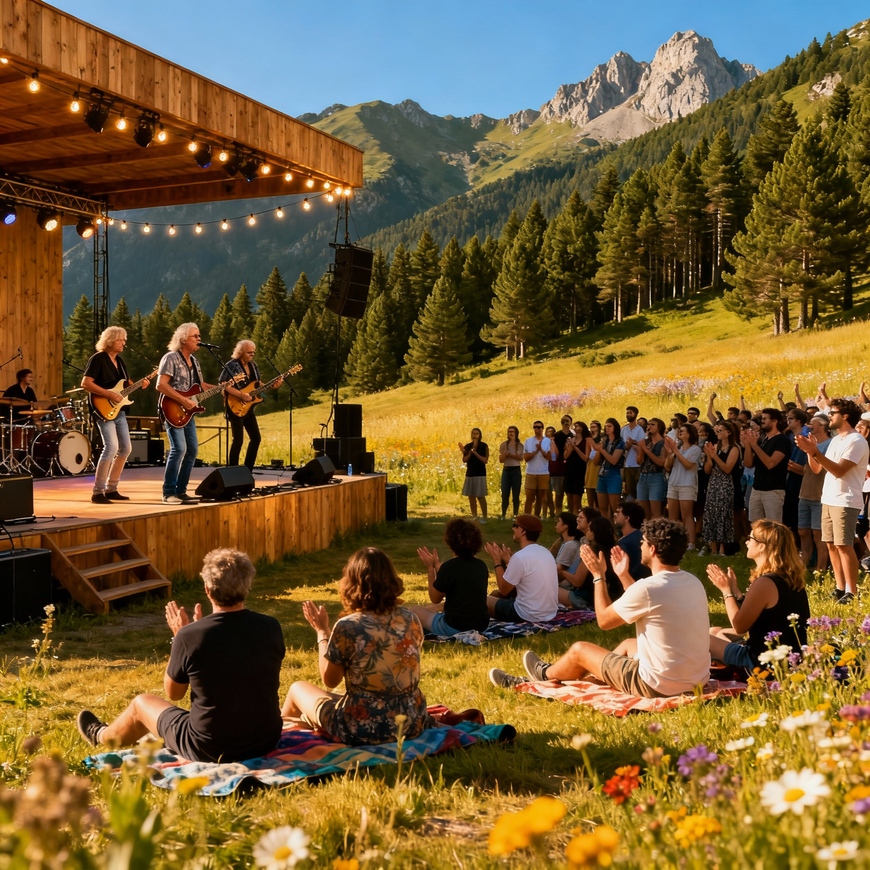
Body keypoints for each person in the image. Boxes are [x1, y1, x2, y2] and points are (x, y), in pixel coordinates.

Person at [76, 549, 285, 762]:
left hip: (210, 747)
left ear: (207, 589)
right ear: (247, 586)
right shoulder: (271, 627)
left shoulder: (189, 636)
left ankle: (101, 735)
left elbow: (174, 693)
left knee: (142, 703)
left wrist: (180, 639)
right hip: (265, 739)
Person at [490, 518, 711, 698]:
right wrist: (623, 575)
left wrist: (598, 576)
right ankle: (584, 677)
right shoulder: (692, 581)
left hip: (659, 686)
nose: (640, 546)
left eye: (642, 542)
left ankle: (543, 676)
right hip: (695, 681)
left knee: (580, 650)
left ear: (652, 549)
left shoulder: (650, 588)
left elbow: (604, 621)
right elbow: (644, 604)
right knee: (627, 644)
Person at [282, 547, 434, 744]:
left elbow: (330, 679)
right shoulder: (411, 619)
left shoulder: (349, 626)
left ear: (351, 583)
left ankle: (282, 743)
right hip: (412, 721)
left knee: (297, 688)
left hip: (362, 727)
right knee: (332, 699)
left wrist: (322, 632)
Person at [707, 520, 810, 673]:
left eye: (751, 538)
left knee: (701, 637)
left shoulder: (765, 583)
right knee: (716, 631)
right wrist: (736, 592)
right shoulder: (789, 578)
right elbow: (761, 617)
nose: (747, 542)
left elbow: (740, 626)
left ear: (762, 546)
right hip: (789, 658)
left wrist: (726, 591)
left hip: (761, 662)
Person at [797, 398, 870, 604]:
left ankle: (852, 592)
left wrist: (815, 451)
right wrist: (810, 452)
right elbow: (817, 468)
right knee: (830, 544)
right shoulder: (837, 440)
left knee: (844, 545)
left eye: (833, 412)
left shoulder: (856, 441)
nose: (829, 416)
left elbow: (838, 471)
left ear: (845, 416)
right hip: (828, 498)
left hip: (845, 500)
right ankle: (840, 588)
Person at [81, 327, 149, 504]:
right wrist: (109, 394)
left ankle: (112, 488)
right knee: (110, 447)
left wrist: (138, 385)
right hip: (103, 408)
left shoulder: (119, 361)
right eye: (121, 340)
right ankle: (97, 492)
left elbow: (124, 385)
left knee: (125, 448)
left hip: (119, 410)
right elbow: (86, 383)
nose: (124, 343)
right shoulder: (98, 359)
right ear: (111, 340)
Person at [156, 323, 219, 504]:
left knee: (192, 451)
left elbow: (201, 387)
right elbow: (160, 385)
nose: (200, 339)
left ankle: (181, 491)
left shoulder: (195, 362)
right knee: (179, 449)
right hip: (172, 408)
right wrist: (183, 400)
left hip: (188, 412)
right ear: (183, 339)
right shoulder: (170, 358)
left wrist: (224, 388)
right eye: (195, 336)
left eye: (199, 336)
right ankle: (168, 493)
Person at [408, 518, 491, 637]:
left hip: (455, 626)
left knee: (414, 611)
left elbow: (435, 598)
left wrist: (430, 569)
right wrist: (439, 570)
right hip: (481, 625)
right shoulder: (481, 565)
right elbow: (460, 589)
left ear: (450, 541)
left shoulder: (449, 567)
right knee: (434, 608)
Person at [484, 514, 558, 623]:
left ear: (523, 532)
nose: (513, 528)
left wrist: (497, 561)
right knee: (495, 594)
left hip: (528, 614)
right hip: (549, 612)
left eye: (516, 526)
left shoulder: (520, 557)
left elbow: (504, 590)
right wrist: (508, 561)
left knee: (480, 600)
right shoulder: (545, 552)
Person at [220, 340, 282, 470]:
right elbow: (223, 384)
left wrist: (272, 385)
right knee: (238, 440)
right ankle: (233, 470)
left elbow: (257, 384)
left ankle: (247, 470)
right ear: (241, 352)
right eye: (249, 352)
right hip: (234, 405)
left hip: (248, 408)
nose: (252, 354)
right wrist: (241, 395)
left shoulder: (253, 366)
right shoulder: (231, 365)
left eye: (253, 352)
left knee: (256, 438)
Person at [558, 515, 622, 608]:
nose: (587, 533)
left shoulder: (592, 552)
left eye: (589, 530)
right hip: (608, 598)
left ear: (595, 533)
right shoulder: (613, 549)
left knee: (548, 589)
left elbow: (577, 581)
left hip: (585, 598)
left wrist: (562, 572)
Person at [742, 408, 790, 523]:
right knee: (755, 525)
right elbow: (748, 464)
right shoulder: (763, 439)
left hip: (773, 490)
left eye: (764, 419)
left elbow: (771, 463)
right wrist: (748, 445)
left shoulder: (782, 440)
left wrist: (754, 445)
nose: (761, 421)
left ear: (774, 421)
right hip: (756, 488)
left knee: (773, 526)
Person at [797, 413, 831, 571]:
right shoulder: (809, 443)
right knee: (803, 531)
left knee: (819, 535)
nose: (809, 426)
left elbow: (820, 469)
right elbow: (809, 468)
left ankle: (821, 569)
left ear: (824, 426)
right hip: (805, 492)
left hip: (820, 495)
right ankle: (804, 566)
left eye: (814, 423)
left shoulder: (831, 444)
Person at [701, 421, 739, 554]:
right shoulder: (715, 446)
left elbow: (727, 468)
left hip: (725, 484)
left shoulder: (734, 448)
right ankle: (713, 548)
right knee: (711, 514)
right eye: (717, 431)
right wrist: (709, 457)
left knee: (723, 514)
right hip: (713, 483)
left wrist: (714, 456)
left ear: (729, 432)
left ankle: (723, 548)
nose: (718, 433)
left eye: (721, 430)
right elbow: (707, 470)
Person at [664, 423, 702, 550]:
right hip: (673, 483)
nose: (680, 432)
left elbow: (688, 465)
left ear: (690, 434)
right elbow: (667, 467)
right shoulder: (678, 449)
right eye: (680, 431)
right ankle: (674, 542)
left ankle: (691, 543)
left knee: (687, 515)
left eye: (683, 431)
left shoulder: (695, 449)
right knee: (672, 515)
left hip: (687, 484)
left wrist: (675, 451)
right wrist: (670, 453)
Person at [635, 418, 667, 519]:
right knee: (643, 512)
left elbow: (661, 462)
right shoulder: (645, 441)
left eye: (652, 424)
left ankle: (657, 533)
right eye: (648, 424)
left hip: (656, 477)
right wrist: (641, 450)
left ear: (659, 427)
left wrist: (646, 450)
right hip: (643, 476)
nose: (649, 426)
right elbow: (639, 461)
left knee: (656, 512)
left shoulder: (664, 442)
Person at [614, 500, 651, 581]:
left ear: (627, 518)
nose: (615, 515)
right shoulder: (645, 538)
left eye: (618, 512)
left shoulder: (624, 543)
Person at [595, 418, 625, 515]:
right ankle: (605, 528)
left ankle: (617, 528)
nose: (606, 428)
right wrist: (599, 450)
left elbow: (614, 460)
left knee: (614, 507)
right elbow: (596, 462)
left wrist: (602, 450)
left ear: (615, 427)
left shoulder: (620, 442)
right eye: (606, 426)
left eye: (609, 426)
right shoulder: (605, 442)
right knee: (602, 507)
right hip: (602, 474)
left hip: (614, 475)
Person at [459, 427, 489, 521]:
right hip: (470, 473)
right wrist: (469, 452)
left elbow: (485, 460)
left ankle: (484, 517)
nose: (474, 435)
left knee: (480, 496)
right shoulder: (468, 446)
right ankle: (474, 516)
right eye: (473, 433)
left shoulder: (484, 446)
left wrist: (475, 453)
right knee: (471, 497)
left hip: (480, 474)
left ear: (480, 435)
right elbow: (464, 460)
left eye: (476, 434)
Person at [523, 421, 552, 516]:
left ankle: (536, 517)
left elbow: (549, 457)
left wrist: (541, 449)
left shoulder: (548, 441)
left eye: (539, 427)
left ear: (542, 429)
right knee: (529, 497)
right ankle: (526, 517)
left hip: (543, 472)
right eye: (535, 427)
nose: (537, 429)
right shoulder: (528, 441)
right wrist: (536, 451)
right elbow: (526, 458)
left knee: (540, 497)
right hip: (531, 472)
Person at [563, 421, 592, 514]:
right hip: (569, 469)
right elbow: (565, 456)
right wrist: (570, 447)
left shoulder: (587, 440)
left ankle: (577, 515)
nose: (576, 428)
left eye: (578, 426)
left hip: (580, 469)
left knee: (576, 495)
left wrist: (575, 447)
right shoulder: (570, 439)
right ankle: (570, 514)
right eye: (575, 426)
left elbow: (585, 458)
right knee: (569, 494)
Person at [549, 415, 573, 514]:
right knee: (559, 493)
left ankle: (571, 513)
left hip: (572, 467)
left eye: (567, 421)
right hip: (559, 468)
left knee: (570, 493)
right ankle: (558, 513)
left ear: (571, 422)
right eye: (563, 421)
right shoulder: (557, 435)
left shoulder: (574, 435)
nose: (565, 422)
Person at [498, 425, 523, 519]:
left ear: (516, 433)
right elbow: (501, 459)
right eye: (509, 432)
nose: (511, 433)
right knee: (505, 492)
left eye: (513, 432)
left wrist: (510, 455)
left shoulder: (519, 445)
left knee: (516, 493)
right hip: (506, 470)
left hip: (516, 470)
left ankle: (515, 514)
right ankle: (503, 514)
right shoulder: (504, 445)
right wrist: (505, 456)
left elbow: (521, 458)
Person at [621, 407, 645, 501]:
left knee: (636, 492)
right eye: (627, 413)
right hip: (626, 464)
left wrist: (633, 444)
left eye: (630, 413)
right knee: (628, 491)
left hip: (637, 464)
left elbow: (643, 446)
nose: (628, 415)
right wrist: (626, 446)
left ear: (635, 414)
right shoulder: (623, 430)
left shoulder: (639, 430)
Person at [584, 420, 603, 510]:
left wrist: (591, 441)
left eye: (594, 427)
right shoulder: (588, 438)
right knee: (590, 486)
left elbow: (598, 448)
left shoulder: (602, 438)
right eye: (591, 427)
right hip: (591, 464)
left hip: (599, 464)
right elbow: (587, 455)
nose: (592, 428)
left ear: (598, 428)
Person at [543, 425, 560, 518]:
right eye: (548, 432)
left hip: (554, 471)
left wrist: (552, 442)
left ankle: (553, 513)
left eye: (551, 432)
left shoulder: (554, 443)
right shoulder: (542, 443)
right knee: (545, 495)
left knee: (555, 494)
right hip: (544, 471)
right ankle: (545, 514)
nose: (549, 434)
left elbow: (554, 456)